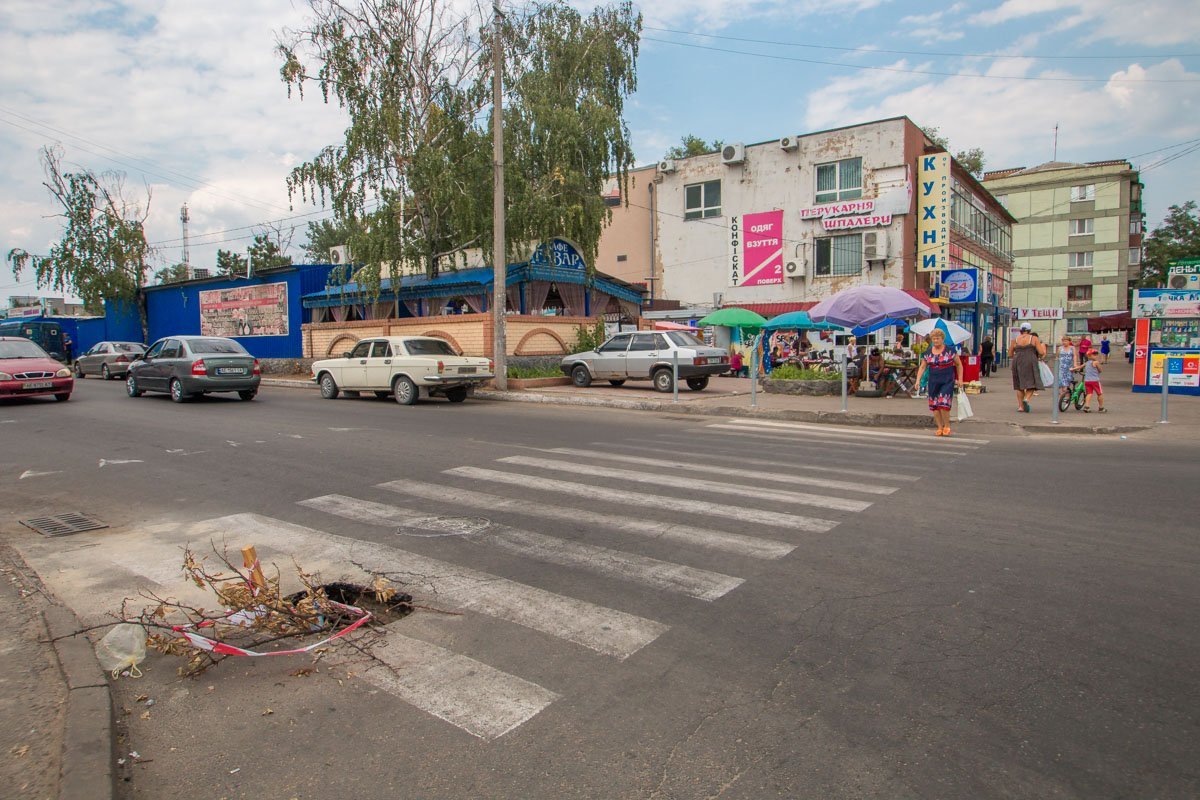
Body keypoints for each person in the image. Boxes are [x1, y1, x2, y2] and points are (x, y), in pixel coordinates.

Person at [915, 329, 963, 436]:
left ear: (942, 339)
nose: (935, 341)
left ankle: (947, 426)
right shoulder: (927, 353)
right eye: (934, 339)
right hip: (933, 381)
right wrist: (918, 380)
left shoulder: (950, 351)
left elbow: (959, 365)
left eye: (938, 338)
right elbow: (922, 367)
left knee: (943, 404)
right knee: (935, 406)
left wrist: (960, 379)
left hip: (947, 380)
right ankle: (939, 427)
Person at [1009, 322, 1046, 412]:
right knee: (1032, 382)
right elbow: (1041, 352)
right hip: (1030, 361)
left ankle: (1020, 407)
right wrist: (1039, 356)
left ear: (1021, 330)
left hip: (1017, 361)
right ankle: (1026, 399)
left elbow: (1010, 354)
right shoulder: (1034, 338)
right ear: (1029, 330)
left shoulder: (1015, 339)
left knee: (1019, 385)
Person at [1076, 348, 1106, 413]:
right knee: (1099, 393)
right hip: (1095, 381)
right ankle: (1101, 407)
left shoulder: (1086, 363)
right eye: (1094, 354)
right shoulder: (1096, 362)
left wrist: (1073, 369)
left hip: (1087, 381)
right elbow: (1100, 370)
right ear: (1089, 355)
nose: (1096, 355)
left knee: (1089, 393)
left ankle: (1087, 407)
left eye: (1096, 354)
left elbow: (1080, 367)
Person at [1056, 335, 1078, 400]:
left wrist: (1075, 364)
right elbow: (1057, 357)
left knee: (1068, 381)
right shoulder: (1060, 348)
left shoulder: (1072, 348)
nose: (1064, 342)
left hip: (1069, 367)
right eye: (1063, 341)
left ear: (1069, 341)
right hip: (1061, 367)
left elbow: (1075, 356)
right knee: (1062, 381)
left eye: (1066, 341)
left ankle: (1067, 396)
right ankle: (1062, 396)